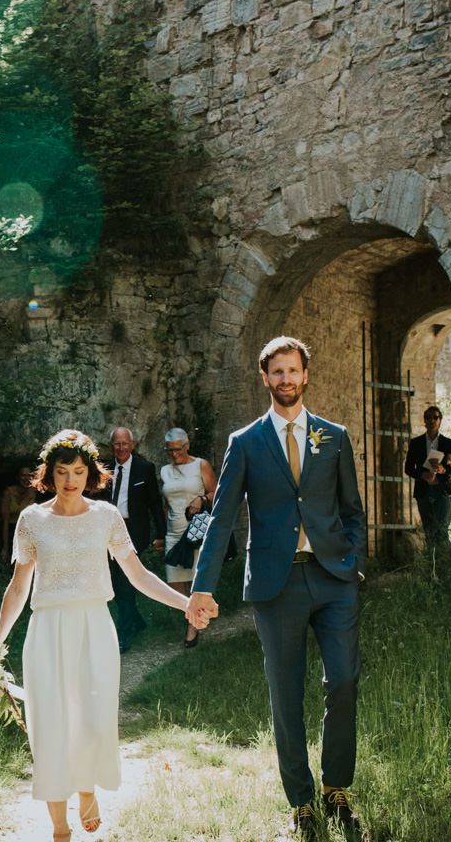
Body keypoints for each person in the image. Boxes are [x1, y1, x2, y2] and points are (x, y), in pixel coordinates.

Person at [0, 429, 209, 840]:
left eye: (77, 471)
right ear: (48, 474)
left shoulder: (106, 517)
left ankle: (87, 788)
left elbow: (138, 575)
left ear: (89, 473)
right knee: (49, 721)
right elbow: (18, 587)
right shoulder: (31, 520)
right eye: (61, 471)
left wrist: (187, 603)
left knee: (92, 717)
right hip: (48, 629)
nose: (70, 480)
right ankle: (58, 828)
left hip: (94, 627)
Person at [186, 337, 367, 839]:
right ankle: (302, 803)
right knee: (286, 693)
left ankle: (337, 791)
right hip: (276, 584)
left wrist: (356, 565)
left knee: (344, 681)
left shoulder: (334, 437)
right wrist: (201, 588)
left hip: (334, 579)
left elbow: (353, 510)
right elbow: (222, 517)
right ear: (264, 378)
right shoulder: (245, 442)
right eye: (277, 372)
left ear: (306, 375)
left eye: (293, 370)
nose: (286, 379)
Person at [105, 426, 166, 653]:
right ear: (112, 446)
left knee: (124, 581)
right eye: (117, 444)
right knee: (115, 581)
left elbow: (154, 504)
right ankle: (136, 620)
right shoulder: (104, 468)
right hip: (108, 529)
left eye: (125, 443)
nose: (121, 448)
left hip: (133, 531)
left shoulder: (144, 468)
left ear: (132, 445)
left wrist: (161, 534)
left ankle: (124, 633)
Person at [160, 427, 217, 648]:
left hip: (197, 530)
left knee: (196, 580)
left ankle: (192, 627)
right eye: (170, 451)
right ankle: (192, 616)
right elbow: (166, 503)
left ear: (187, 446)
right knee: (174, 582)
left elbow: (215, 493)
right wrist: (163, 531)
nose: (174, 455)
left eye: (178, 450)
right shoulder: (164, 471)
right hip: (174, 531)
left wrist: (201, 499)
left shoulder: (200, 465)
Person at [404, 406, 451, 550]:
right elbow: (408, 468)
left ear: (440, 420)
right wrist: (423, 475)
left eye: (435, 417)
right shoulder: (416, 443)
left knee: (441, 530)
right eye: (428, 417)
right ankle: (432, 567)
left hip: (442, 491)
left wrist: (443, 469)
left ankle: (444, 565)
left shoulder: (448, 443)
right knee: (429, 531)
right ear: (424, 420)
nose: (431, 420)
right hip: (423, 491)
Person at [0, 465, 36, 562]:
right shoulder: (8, 493)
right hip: (6, 528)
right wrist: (5, 548)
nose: (26, 479)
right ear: (17, 477)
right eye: (23, 475)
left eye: (29, 475)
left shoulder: (32, 493)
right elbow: (5, 521)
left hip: (21, 529)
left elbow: (29, 521)